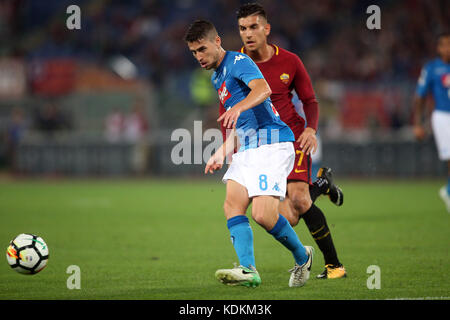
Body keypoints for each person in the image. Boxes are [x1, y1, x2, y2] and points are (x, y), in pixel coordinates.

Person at [184, 19, 314, 288]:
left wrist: (238, 107)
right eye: (194, 52)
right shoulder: (217, 76)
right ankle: (248, 269)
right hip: (248, 147)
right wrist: (220, 152)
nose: (199, 56)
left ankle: (303, 257)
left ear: (217, 41)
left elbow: (263, 89)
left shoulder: (238, 62)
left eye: (202, 49)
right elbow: (239, 126)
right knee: (232, 205)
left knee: (263, 215)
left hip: (272, 143)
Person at [230, 3, 347, 279]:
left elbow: (310, 100)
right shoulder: (234, 64)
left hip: (291, 137)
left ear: (266, 29)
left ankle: (334, 266)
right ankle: (321, 183)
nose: (248, 33)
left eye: (254, 27)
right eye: (243, 28)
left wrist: (311, 129)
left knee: (298, 197)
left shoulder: (290, 61)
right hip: (260, 144)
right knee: (287, 216)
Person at [413, 32, 450, 213]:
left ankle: (448, 190)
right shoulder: (432, 68)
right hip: (443, 116)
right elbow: (420, 97)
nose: (448, 49)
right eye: (445, 45)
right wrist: (418, 123)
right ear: (439, 48)